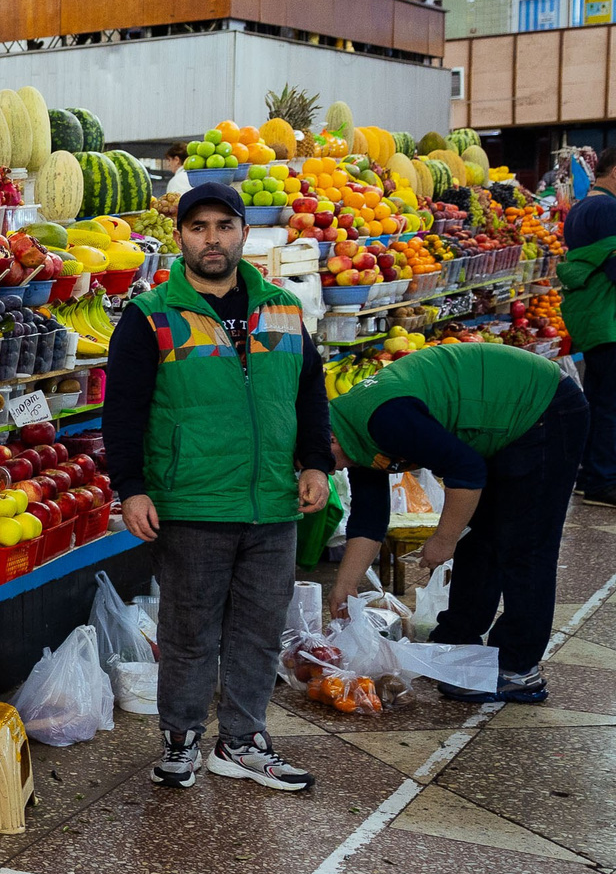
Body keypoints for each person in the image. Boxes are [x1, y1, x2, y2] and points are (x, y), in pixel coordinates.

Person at [106, 182, 330, 791]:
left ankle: (242, 742)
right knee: (189, 631)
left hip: (272, 502)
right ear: (180, 236)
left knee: (260, 631)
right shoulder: (151, 315)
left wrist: (315, 462)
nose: (212, 239)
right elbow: (122, 411)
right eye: (198, 227)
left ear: (243, 234)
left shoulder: (283, 308)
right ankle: (180, 740)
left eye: (224, 226)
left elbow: (310, 392)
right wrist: (131, 487)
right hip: (193, 501)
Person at [324, 344, 586, 703]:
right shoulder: (352, 433)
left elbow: (467, 471)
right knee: (478, 539)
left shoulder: (383, 419)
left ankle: (518, 669)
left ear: (330, 438)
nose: (332, 472)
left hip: (543, 407)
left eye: (326, 463)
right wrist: (344, 585)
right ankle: (457, 639)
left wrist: (443, 539)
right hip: (501, 419)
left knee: (525, 545)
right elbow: (370, 517)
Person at [560, 148, 616, 505]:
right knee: (610, 403)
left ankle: (590, 474)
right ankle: (603, 481)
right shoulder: (608, 209)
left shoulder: (582, 207)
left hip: (592, 318)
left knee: (599, 399)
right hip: (608, 317)